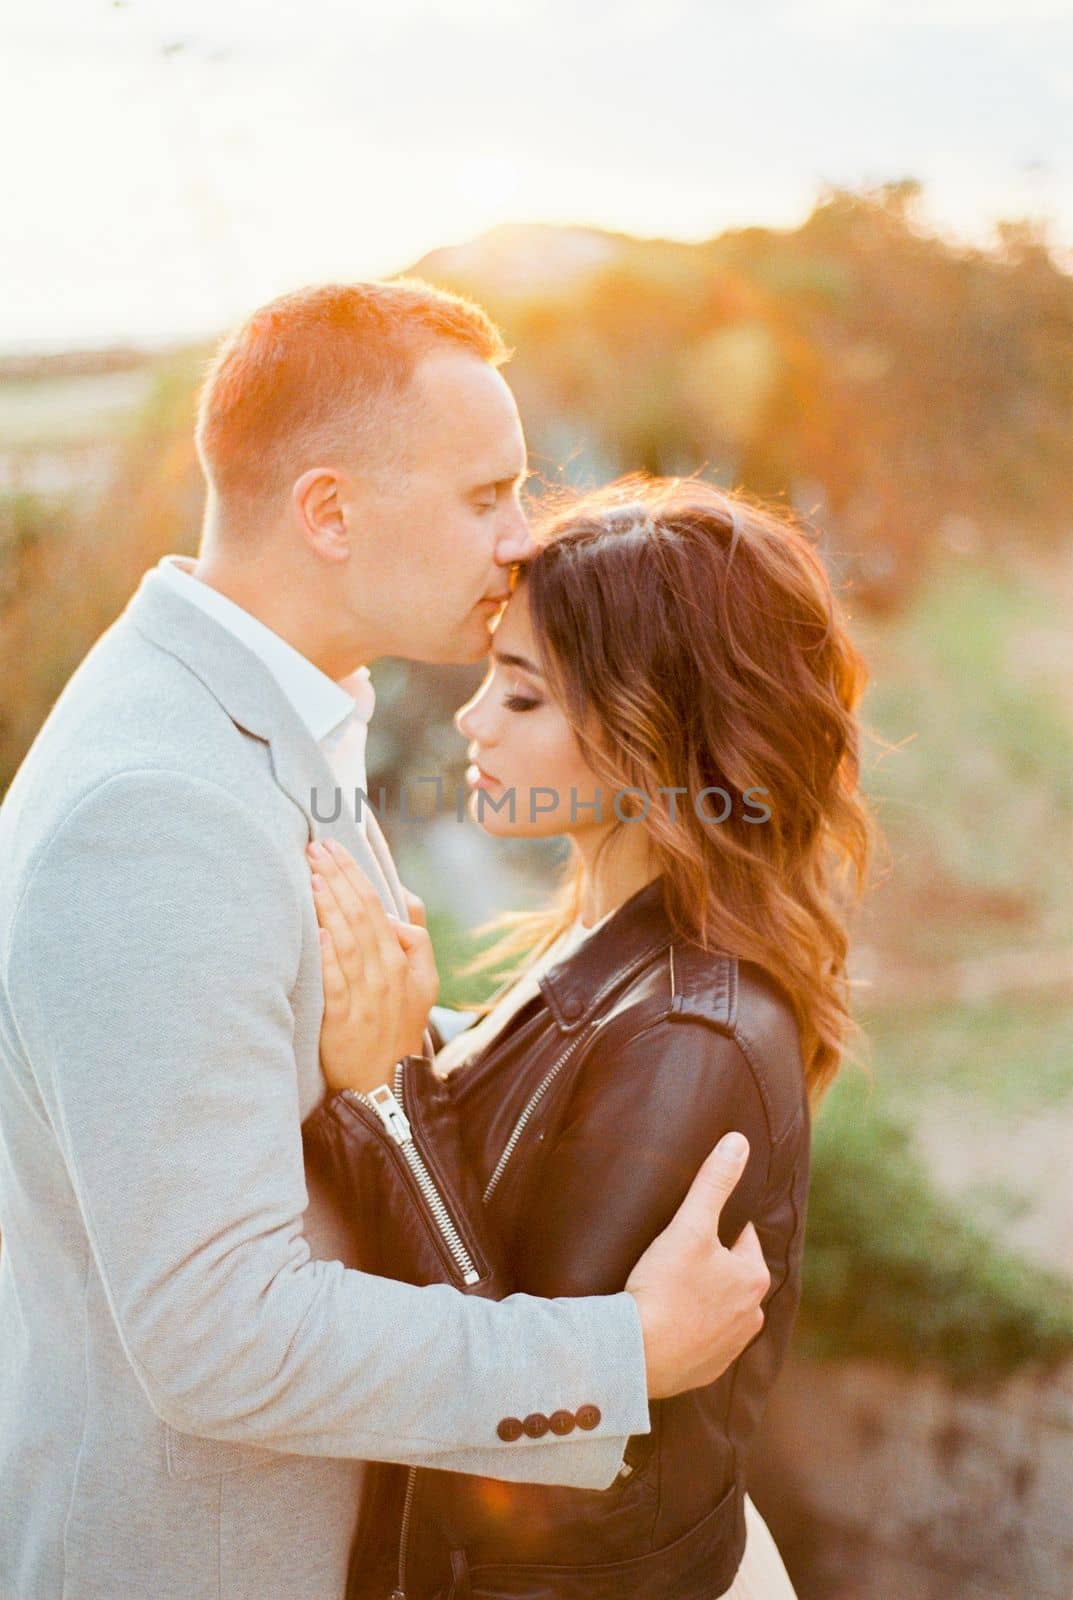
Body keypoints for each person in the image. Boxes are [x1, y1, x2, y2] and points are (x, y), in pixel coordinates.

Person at [0, 284, 771, 1600]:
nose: (519, 542)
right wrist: (619, 1355)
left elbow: (263, 1074)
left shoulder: (271, 715)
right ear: (327, 511)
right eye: (486, 496)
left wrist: (413, 1053)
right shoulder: (157, 811)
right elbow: (215, 1337)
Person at [302, 477, 874, 1598]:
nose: (469, 723)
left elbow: (542, 1447)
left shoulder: (686, 1031)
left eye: (521, 698)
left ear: (647, 730)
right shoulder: (617, 944)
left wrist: (386, 1098)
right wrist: (416, 1026)